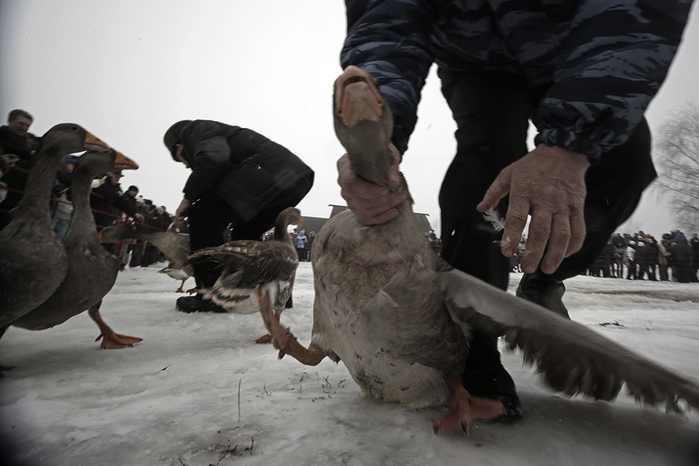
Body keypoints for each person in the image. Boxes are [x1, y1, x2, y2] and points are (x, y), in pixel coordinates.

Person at [336, 1, 693, 417]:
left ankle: (546, 276)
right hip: (475, 63)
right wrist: (378, 140)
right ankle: (470, 335)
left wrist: (570, 146)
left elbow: (636, 14)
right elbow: (387, 24)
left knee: (623, 158)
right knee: (487, 158)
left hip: (571, 43)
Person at [163, 119, 314, 313]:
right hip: (296, 178)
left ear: (179, 146)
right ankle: (274, 293)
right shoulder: (217, 133)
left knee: (203, 215)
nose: (185, 165)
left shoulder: (195, 130)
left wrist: (187, 200)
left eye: (180, 159)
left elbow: (214, 160)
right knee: (245, 232)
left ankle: (213, 296)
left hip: (266, 169)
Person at [0, 109, 40, 229]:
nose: (24, 128)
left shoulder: (26, 141)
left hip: (20, 190)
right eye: (20, 123)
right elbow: (7, 147)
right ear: (10, 121)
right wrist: (29, 153)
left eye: (27, 125)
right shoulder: (2, 135)